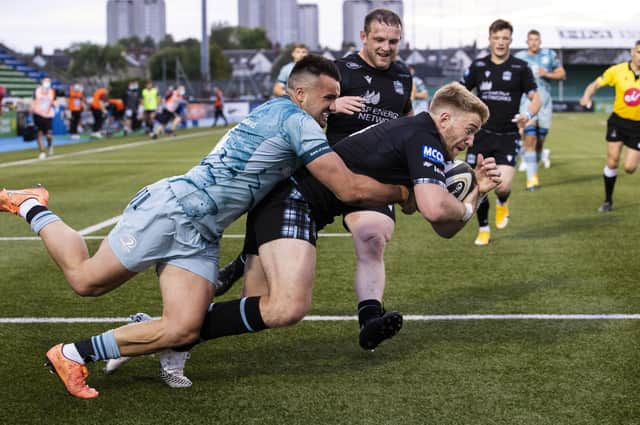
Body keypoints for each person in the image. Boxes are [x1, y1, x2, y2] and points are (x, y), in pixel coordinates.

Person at [0, 55, 410, 399]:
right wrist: (404, 191)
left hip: (202, 232)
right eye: (329, 98)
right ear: (300, 93)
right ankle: (31, 204)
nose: (333, 107)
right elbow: (346, 186)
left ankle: (71, 354)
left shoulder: (286, 114)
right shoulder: (294, 120)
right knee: (86, 280)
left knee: (183, 328)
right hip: (173, 211)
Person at [107, 82, 502, 385]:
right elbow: (436, 210)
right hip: (293, 200)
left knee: (255, 302)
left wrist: (476, 194)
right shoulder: (425, 136)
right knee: (287, 307)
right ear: (445, 118)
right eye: (470, 129)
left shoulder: (421, 137)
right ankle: (168, 333)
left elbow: (443, 225)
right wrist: (467, 205)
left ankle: (165, 329)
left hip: (287, 201)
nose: (470, 142)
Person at [216, 8, 413, 349]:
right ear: (363, 37)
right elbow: (291, 105)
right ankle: (236, 269)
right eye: (379, 39)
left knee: (373, 236)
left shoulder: (402, 76)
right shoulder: (337, 70)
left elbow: (406, 115)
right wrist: (333, 105)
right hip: (324, 173)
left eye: (393, 41)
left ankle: (370, 319)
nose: (386, 47)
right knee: (257, 294)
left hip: (371, 179)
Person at [461, 19, 541, 246]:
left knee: (503, 186)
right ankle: (484, 228)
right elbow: (460, 92)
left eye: (505, 38)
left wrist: (528, 114)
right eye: (496, 38)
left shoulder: (520, 68)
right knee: (479, 184)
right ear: (490, 40)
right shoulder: (477, 67)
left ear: (510, 41)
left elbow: (537, 98)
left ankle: (503, 202)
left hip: (508, 135)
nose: (500, 42)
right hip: (481, 135)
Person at [579, 40, 640, 212]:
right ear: (632, 52)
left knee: (629, 168)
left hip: (638, 126)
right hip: (618, 121)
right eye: (639, 52)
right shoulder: (617, 70)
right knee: (612, 161)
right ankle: (608, 201)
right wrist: (586, 96)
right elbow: (595, 84)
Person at [514, 29, 566, 189]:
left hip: (545, 103)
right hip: (526, 102)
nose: (534, 42)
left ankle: (533, 166)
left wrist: (547, 74)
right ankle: (532, 180)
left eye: (536, 39)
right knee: (530, 137)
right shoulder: (519, 58)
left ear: (540, 41)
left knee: (539, 143)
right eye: (531, 39)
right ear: (527, 41)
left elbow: (562, 74)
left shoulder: (549, 55)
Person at [31, 78, 56, 159]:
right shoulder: (37, 90)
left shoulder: (52, 91)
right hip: (37, 114)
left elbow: (55, 101)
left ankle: (50, 145)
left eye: (48, 81)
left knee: (49, 135)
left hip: (48, 115)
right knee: (39, 134)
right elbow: (33, 100)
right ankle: (42, 152)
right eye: (45, 81)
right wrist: (31, 108)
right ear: (41, 82)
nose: (47, 83)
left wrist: (56, 105)